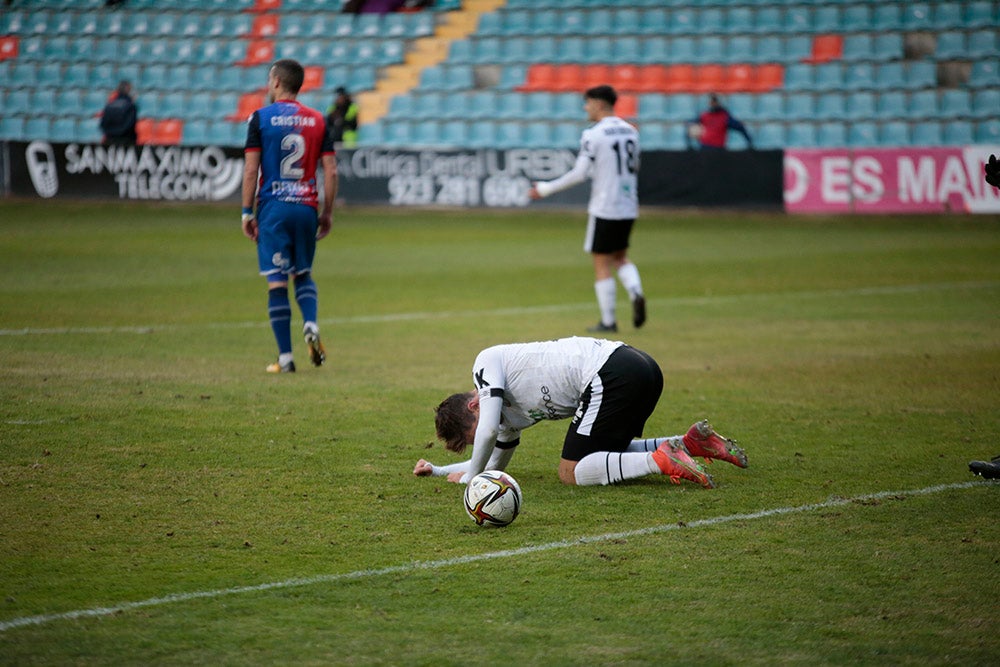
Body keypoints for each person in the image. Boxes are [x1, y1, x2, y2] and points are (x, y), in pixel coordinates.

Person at [413, 337, 748, 488]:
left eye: (473, 433)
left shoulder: (485, 364)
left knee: (570, 472)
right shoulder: (503, 419)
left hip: (610, 373)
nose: (487, 430)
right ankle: (689, 445)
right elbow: (491, 467)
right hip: (638, 365)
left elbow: (484, 437)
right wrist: (440, 470)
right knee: (603, 455)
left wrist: (472, 477)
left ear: (475, 405)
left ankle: (659, 460)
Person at [241, 59, 338, 374]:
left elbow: (251, 169)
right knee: (304, 273)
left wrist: (246, 211)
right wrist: (327, 213)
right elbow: (331, 169)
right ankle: (310, 321)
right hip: (306, 207)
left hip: (274, 207)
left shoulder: (260, 118)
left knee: (276, 281)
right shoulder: (318, 120)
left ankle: (285, 359)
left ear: (277, 82)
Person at [528, 85, 646, 334]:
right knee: (621, 257)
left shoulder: (593, 135)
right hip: (628, 204)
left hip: (605, 206)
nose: (585, 107)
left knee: (601, 262)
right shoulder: (631, 131)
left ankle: (608, 321)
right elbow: (633, 166)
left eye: (588, 102)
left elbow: (580, 173)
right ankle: (635, 291)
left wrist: (546, 189)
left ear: (599, 104)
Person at [686, 93, 753, 151]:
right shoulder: (704, 115)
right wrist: (690, 146)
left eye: (714, 102)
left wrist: (749, 142)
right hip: (705, 147)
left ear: (718, 103)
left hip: (718, 149)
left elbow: (740, 127)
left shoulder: (724, 116)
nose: (713, 104)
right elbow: (691, 125)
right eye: (711, 102)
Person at [99, 80, 138, 146]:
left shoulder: (109, 105)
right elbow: (130, 125)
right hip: (126, 142)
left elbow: (103, 124)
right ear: (128, 90)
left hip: (110, 140)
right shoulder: (130, 106)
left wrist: (111, 133)